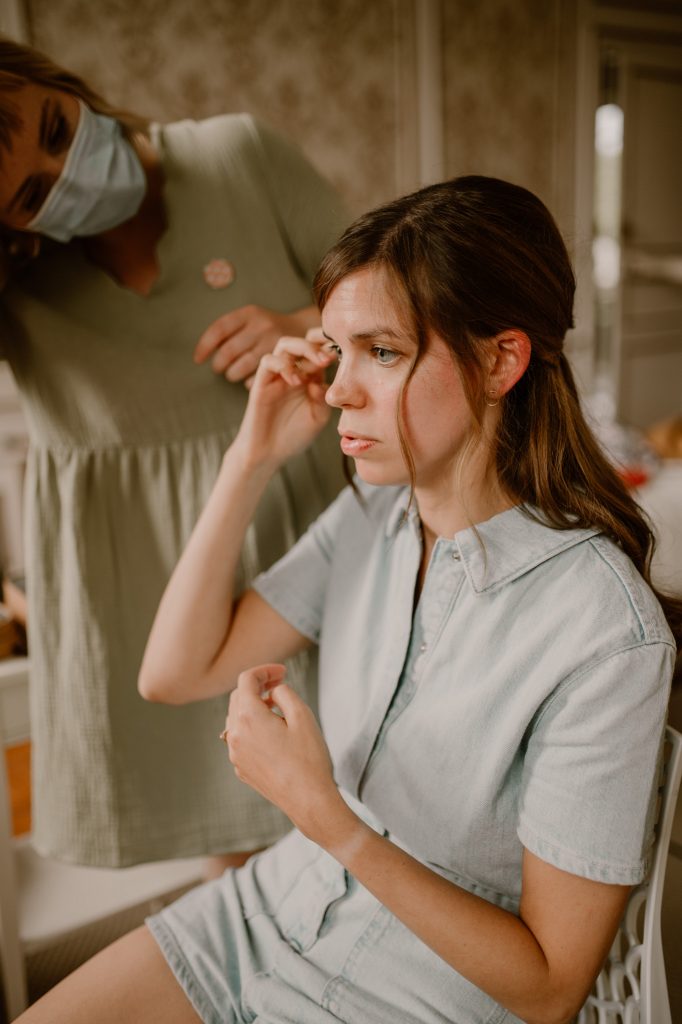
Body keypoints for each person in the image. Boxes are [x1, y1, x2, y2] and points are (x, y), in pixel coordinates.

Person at [15, 175, 681, 1024]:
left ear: (500, 360)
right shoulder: (370, 513)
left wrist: (326, 818)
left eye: (385, 352)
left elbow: (552, 990)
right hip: (269, 911)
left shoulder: (603, 631)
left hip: (423, 993)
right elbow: (172, 673)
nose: (337, 391)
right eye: (338, 350)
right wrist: (248, 459)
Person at [0, 36, 349, 869]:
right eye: (32, 192)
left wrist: (301, 324)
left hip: (301, 536)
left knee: (345, 811)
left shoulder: (238, 153)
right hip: (141, 588)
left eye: (57, 125)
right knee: (229, 854)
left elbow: (404, 297)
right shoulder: (21, 277)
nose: (66, 166)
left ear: (59, 82)